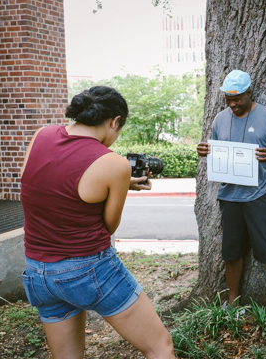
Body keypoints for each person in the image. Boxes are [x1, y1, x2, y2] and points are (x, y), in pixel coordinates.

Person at [20, 86, 175, 359]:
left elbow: (46, 182)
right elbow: (109, 226)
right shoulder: (114, 165)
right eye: (119, 130)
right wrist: (119, 184)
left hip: (38, 273)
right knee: (160, 347)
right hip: (88, 271)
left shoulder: (41, 135)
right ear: (114, 121)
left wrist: (116, 182)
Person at [196, 70, 266, 345]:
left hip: (260, 196)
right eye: (228, 99)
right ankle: (233, 303)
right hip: (229, 198)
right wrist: (206, 151)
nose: (232, 104)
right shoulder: (220, 118)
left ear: (249, 93)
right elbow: (216, 151)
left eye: (237, 99)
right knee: (231, 252)